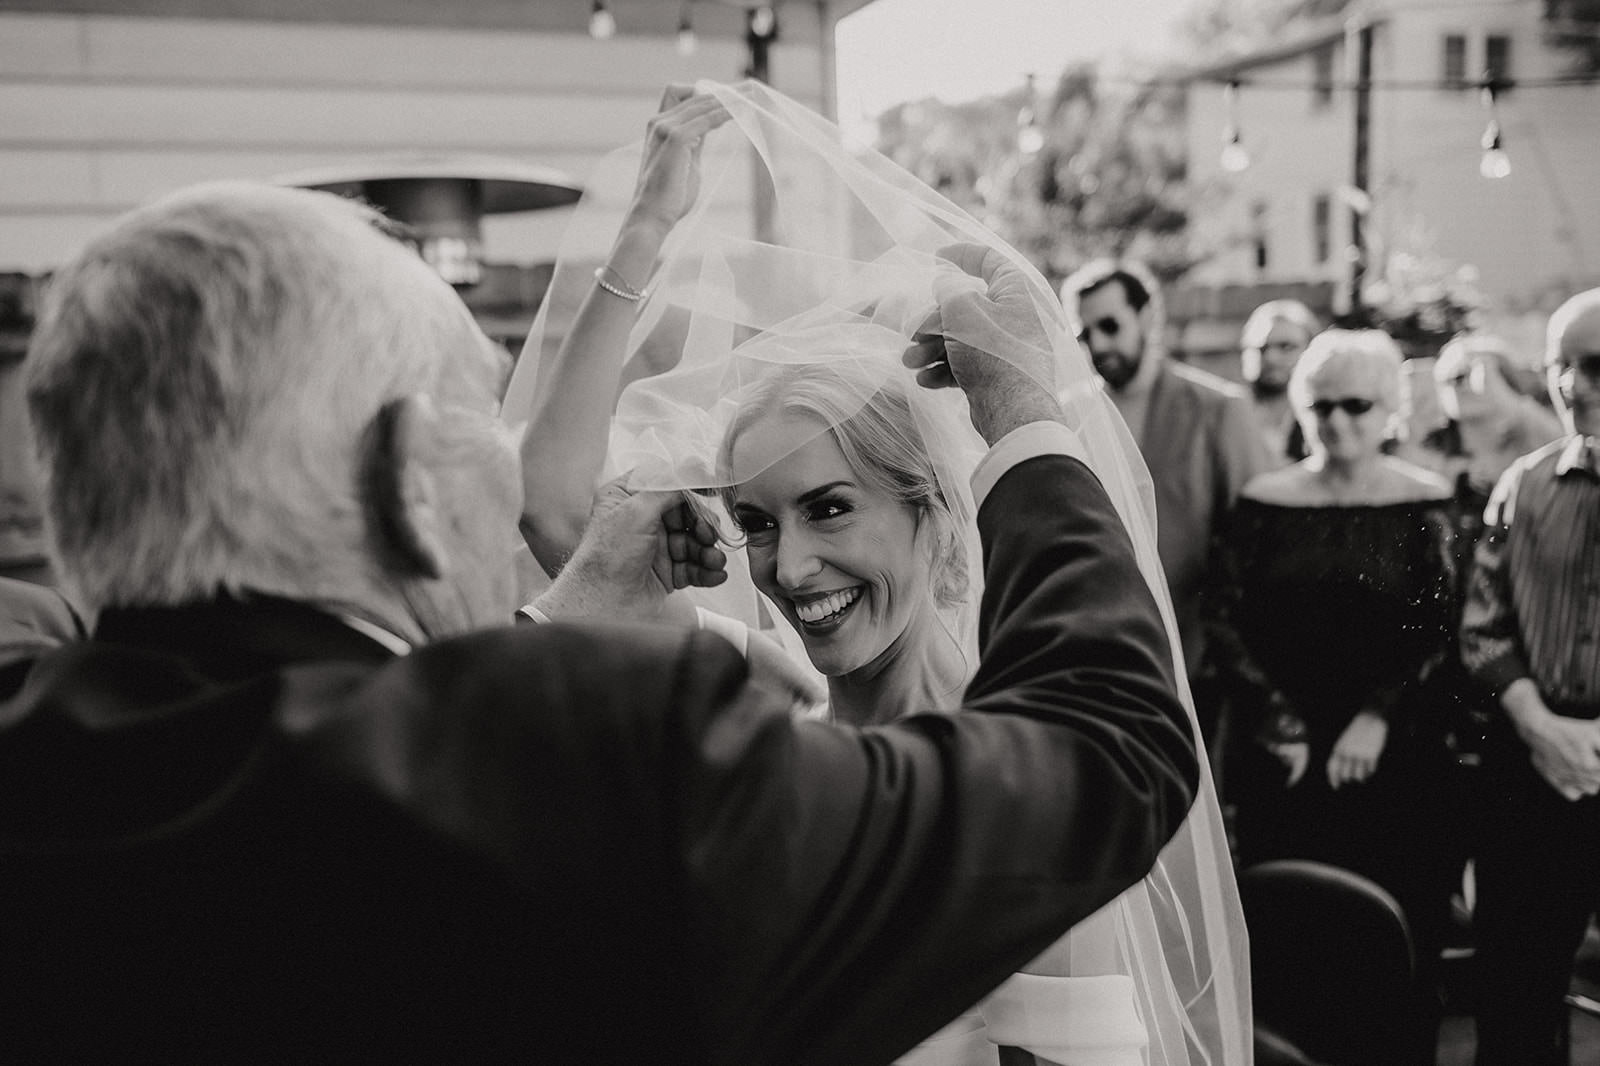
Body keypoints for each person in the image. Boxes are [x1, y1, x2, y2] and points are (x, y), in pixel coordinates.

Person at [0, 179, 1200, 1064]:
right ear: (415, 479)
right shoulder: (608, 760)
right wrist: (1021, 411)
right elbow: (1108, 741)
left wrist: (556, 615)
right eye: (486, 410)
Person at [505, 83, 1250, 1066]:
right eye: (756, 522)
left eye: (829, 506)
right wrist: (645, 229)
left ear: (934, 512)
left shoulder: (1018, 772)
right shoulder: (762, 697)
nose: (791, 566)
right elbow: (559, 509)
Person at [1210, 329, 1458, 1063]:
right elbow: (1222, 618)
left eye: (1358, 405)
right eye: (1322, 406)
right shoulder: (1263, 502)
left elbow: (1442, 629)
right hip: (1284, 759)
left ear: (1392, 410)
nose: (1339, 422)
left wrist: (1379, 715)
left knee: (1396, 940)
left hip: (1396, 761)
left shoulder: (1427, 504)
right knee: (1293, 940)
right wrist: (1278, 721)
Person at [1461, 288, 1600, 1066]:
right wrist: (1544, 730)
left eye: (1596, 367)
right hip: (1530, 760)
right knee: (1516, 997)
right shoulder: (1524, 484)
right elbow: (1482, 626)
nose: (1573, 386)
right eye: (1559, 366)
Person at [1059, 260, 1269, 696]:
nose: (1098, 345)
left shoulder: (1219, 409)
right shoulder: (1066, 415)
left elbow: (1257, 541)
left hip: (1199, 662)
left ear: (1148, 317)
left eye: (1110, 326)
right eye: (1084, 334)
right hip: (1097, 657)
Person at [1238, 299, 1320, 467]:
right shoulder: (1232, 413)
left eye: (1286, 347)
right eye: (1262, 348)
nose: (1271, 358)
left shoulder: (1325, 412)